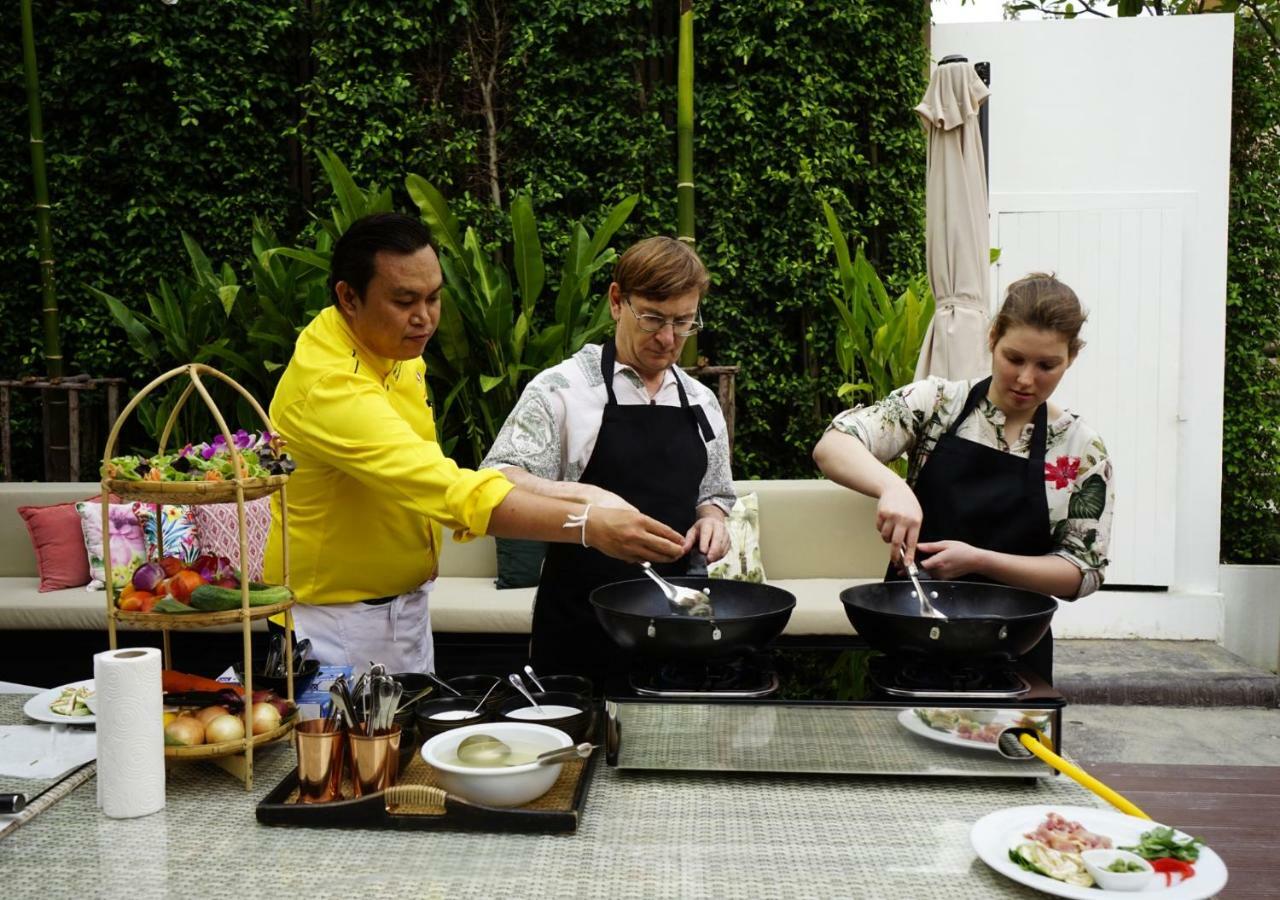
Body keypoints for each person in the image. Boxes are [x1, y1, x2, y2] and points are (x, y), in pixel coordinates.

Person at [261, 213, 687, 675]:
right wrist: (589, 525)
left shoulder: (392, 349)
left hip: (402, 609)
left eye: (433, 297)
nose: (424, 318)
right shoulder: (330, 386)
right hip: (333, 624)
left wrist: (586, 495)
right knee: (344, 750)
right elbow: (450, 489)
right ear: (349, 296)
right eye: (404, 301)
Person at [811, 273, 1115, 682]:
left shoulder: (1081, 449)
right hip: (909, 628)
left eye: (1047, 365)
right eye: (1014, 358)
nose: (1027, 379)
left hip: (1013, 647)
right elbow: (832, 446)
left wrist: (979, 560)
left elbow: (1082, 572)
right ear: (993, 339)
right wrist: (893, 486)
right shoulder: (937, 404)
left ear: (1071, 359)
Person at [482, 236, 736, 685]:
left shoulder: (700, 401)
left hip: (678, 619)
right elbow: (498, 479)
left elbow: (714, 492)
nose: (667, 338)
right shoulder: (562, 389)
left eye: (683, 322)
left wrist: (713, 518)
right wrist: (586, 503)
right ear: (617, 301)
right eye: (653, 319)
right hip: (583, 621)